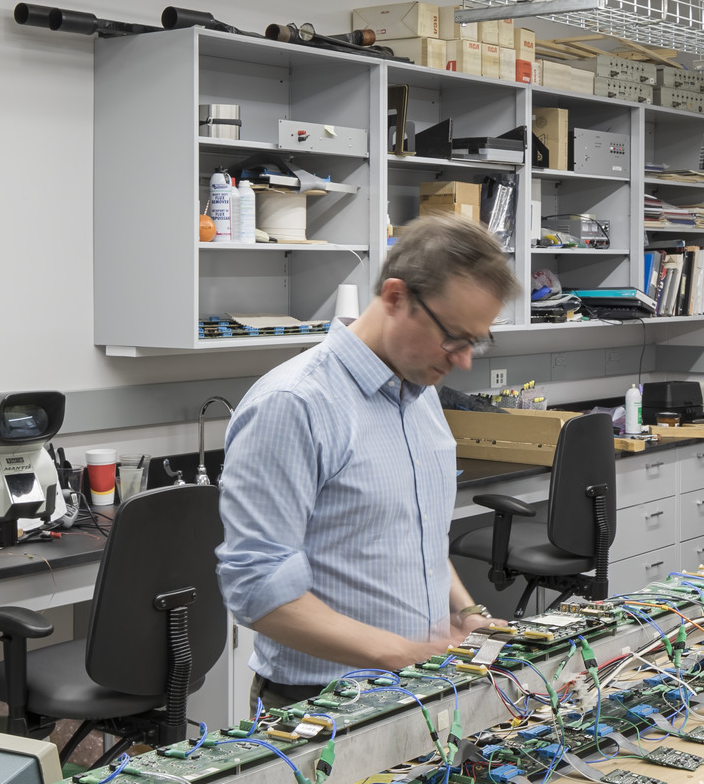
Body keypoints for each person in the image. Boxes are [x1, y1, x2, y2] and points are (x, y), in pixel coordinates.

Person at [217, 215, 521, 704]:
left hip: (418, 690)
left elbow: (416, 539)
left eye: (477, 342)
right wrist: (402, 654)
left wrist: (465, 613)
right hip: (320, 705)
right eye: (454, 338)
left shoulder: (420, 392)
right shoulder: (294, 403)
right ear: (397, 297)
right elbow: (258, 590)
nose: (464, 360)